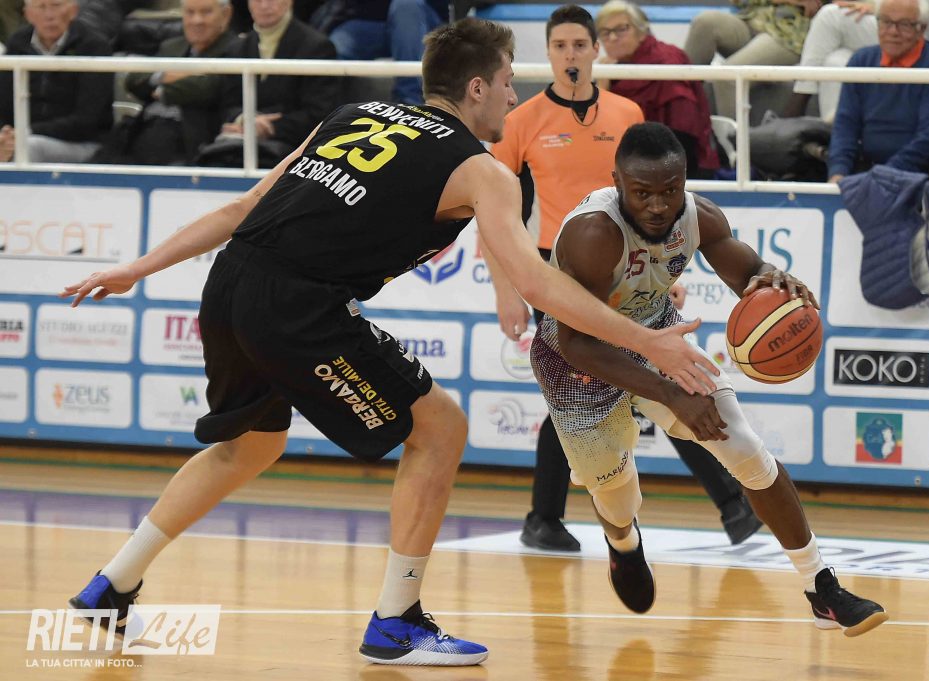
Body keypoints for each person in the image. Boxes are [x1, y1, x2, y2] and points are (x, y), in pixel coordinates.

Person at [61, 18, 721, 667]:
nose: (513, 96)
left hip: (231, 283)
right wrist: (648, 341)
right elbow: (537, 283)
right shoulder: (480, 169)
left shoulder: (351, 114)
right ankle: (396, 620)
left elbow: (244, 208)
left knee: (250, 445)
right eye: (505, 83)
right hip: (298, 303)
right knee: (441, 428)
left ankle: (112, 585)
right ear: (475, 89)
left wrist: (137, 268)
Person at [521, 120, 888, 637]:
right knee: (618, 498)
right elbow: (579, 342)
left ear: (684, 182)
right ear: (617, 182)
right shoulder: (593, 234)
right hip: (577, 364)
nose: (657, 205)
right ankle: (624, 545)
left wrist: (772, 283)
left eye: (670, 191)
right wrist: (672, 394)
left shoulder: (700, 217)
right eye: (642, 193)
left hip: (657, 334)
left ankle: (821, 588)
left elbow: (748, 273)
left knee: (744, 447)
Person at [490, 4, 759, 552]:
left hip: (633, 265)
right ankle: (546, 517)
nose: (570, 54)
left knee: (660, 377)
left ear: (596, 51)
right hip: (559, 275)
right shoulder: (522, 120)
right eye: (560, 45)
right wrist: (506, 289)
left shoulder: (626, 110)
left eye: (579, 45)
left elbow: (656, 199)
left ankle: (731, 505)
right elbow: (499, 214)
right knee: (582, 391)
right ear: (549, 52)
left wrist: (659, 265)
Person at [827, 0, 929, 183]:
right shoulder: (861, 61)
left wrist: (880, 177)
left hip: (919, 178)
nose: (892, 32)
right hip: (867, 173)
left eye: (904, 24)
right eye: (885, 21)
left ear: (922, 29)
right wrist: (838, 172)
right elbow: (845, 126)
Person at [594, 0, 719, 178]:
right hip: (627, 167)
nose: (613, 38)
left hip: (674, 169)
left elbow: (684, 138)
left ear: (641, 31)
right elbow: (600, 136)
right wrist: (603, 87)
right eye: (605, 32)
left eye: (621, 29)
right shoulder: (608, 70)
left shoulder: (666, 63)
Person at [211, 0, 337, 167]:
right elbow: (228, 104)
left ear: (289, 2)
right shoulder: (237, 48)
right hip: (236, 145)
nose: (264, 6)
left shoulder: (317, 47)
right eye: (258, 0)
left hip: (295, 151)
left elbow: (319, 113)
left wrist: (270, 127)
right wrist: (244, 119)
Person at [117, 0, 237, 165]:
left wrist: (160, 90)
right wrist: (163, 76)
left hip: (189, 141)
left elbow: (208, 87)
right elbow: (134, 80)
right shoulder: (171, 46)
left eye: (206, 12)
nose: (197, 20)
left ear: (226, 14)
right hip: (142, 130)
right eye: (190, 12)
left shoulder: (236, 48)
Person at [0, 0, 112, 163]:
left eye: (56, 6)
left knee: (29, 148)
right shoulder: (17, 43)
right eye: (41, 7)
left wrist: (26, 132)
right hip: (20, 137)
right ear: (28, 14)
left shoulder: (94, 46)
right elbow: (3, 103)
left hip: (82, 143)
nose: (49, 15)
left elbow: (86, 120)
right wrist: (5, 135)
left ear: (73, 11)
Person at [683, 0, 823, 120]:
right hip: (752, 20)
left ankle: (733, 140)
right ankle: (679, 113)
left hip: (789, 35)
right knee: (705, 22)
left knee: (728, 75)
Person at [311, 0, 448, 105]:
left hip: (421, 20)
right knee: (335, 47)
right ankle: (328, 113)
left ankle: (409, 104)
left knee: (405, 6)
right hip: (370, 21)